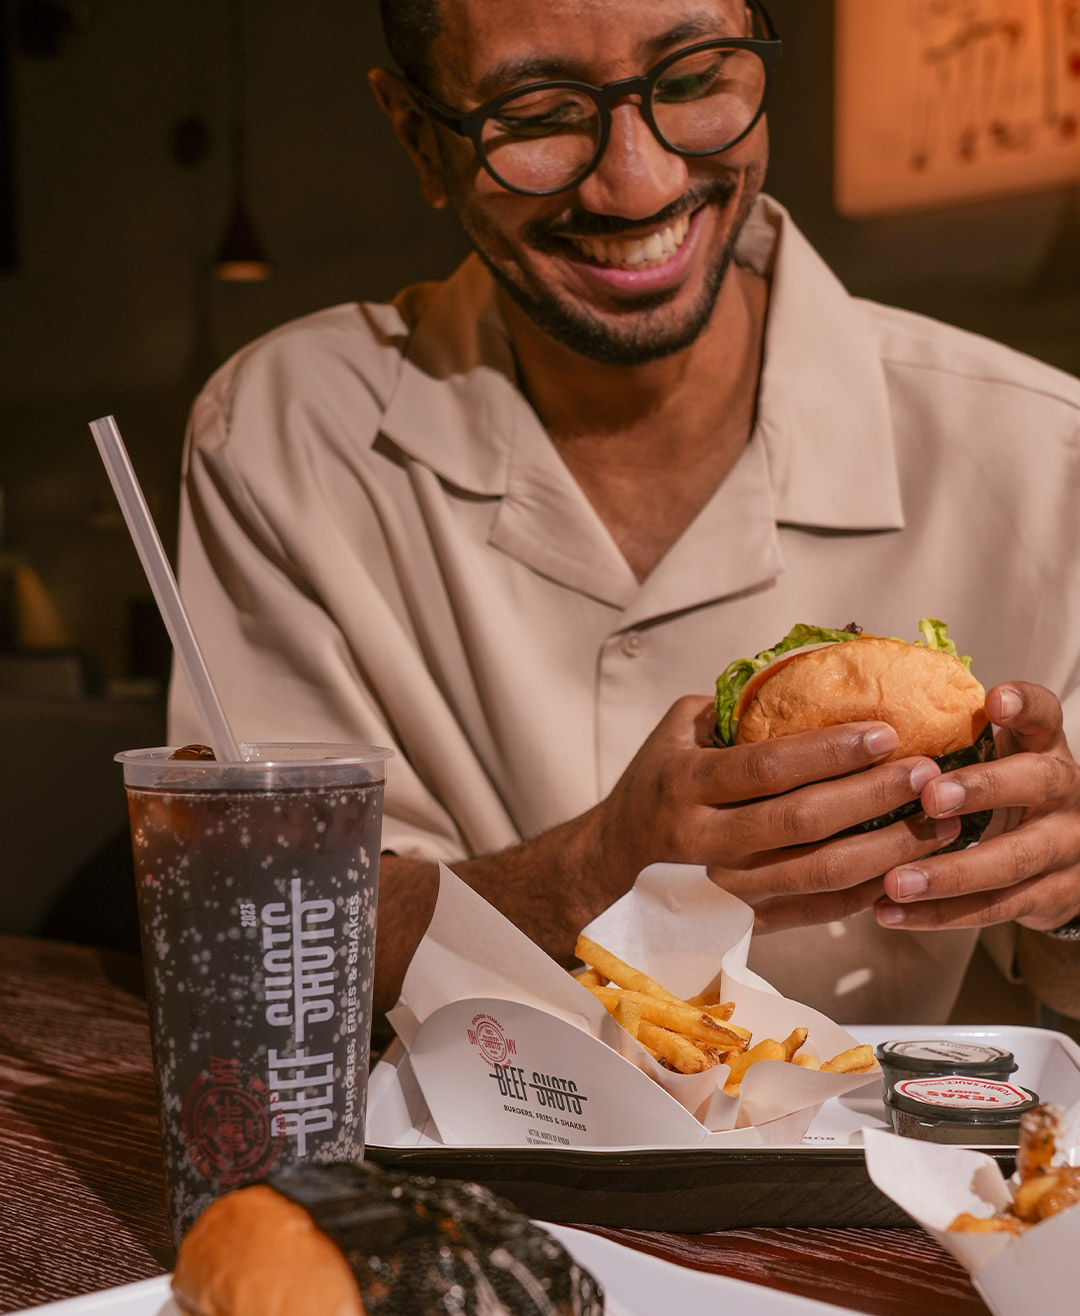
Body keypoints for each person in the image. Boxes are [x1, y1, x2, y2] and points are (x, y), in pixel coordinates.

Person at [170, 0, 1080, 1027]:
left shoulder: (1047, 457)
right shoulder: (287, 434)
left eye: (694, 81)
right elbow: (250, 947)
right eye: (537, 111)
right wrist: (597, 870)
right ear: (421, 139)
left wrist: (1069, 900)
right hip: (438, 1184)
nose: (638, 184)